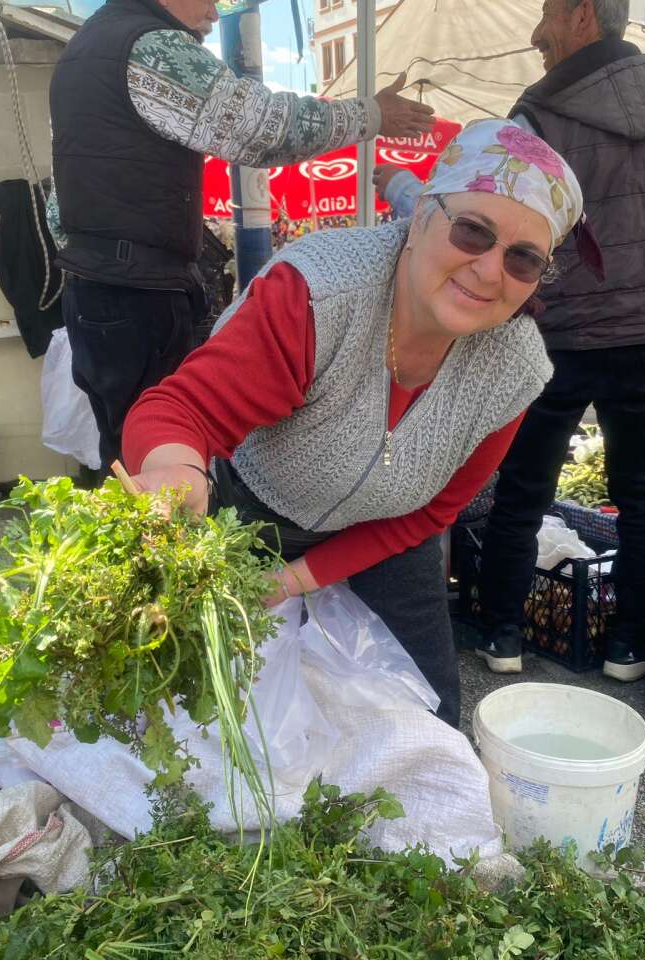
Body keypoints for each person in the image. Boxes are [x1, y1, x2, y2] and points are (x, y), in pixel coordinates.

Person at [121, 120, 586, 728]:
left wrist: (294, 580)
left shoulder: (514, 369)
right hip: (248, 508)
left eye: (523, 260)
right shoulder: (318, 294)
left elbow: (430, 514)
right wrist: (177, 471)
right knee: (212, 719)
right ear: (420, 215)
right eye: (473, 232)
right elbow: (181, 410)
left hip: (387, 535)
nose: (490, 271)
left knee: (428, 715)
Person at [377, 0, 645, 681]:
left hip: (566, 325)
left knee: (524, 487)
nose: (537, 35)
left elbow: (484, 212)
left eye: (550, 14)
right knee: (643, 491)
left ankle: (502, 636)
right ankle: (629, 648)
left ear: (583, 14)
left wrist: (401, 187)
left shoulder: (540, 116)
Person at [49, 0, 435, 472]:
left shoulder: (84, 48)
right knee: (161, 460)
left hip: (96, 286)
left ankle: (137, 538)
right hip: (137, 292)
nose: (215, 12)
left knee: (127, 453)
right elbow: (262, 131)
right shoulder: (150, 46)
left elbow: (62, 195)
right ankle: (163, 544)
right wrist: (370, 115)